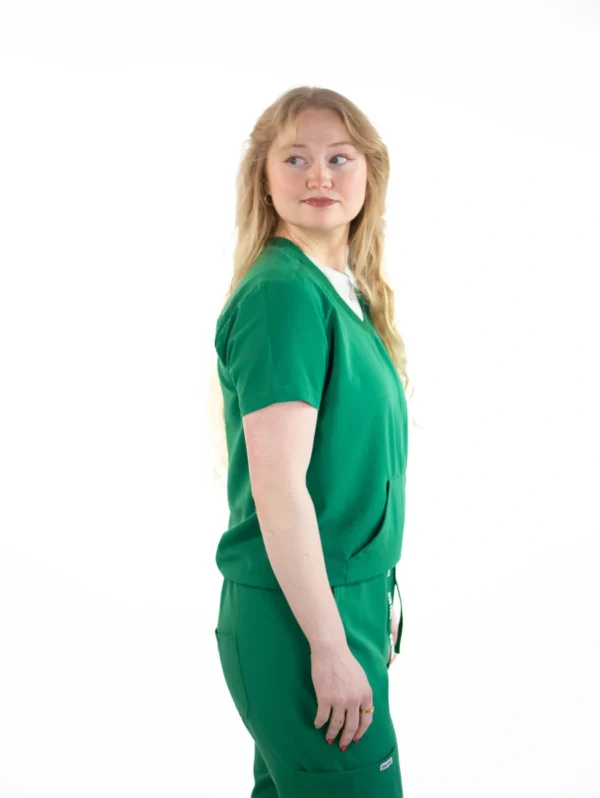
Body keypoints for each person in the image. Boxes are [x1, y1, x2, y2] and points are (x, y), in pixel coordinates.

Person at [211, 86, 411, 798]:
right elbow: (279, 488)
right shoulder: (283, 295)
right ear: (264, 179)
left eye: (338, 157)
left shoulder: (341, 292)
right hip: (301, 620)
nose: (319, 176)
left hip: (337, 604)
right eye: (295, 158)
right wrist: (328, 645)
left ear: (368, 172)